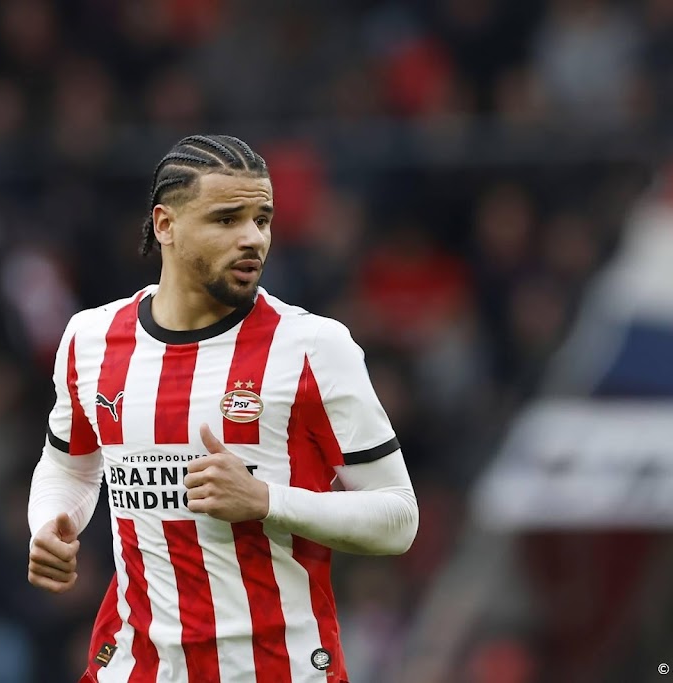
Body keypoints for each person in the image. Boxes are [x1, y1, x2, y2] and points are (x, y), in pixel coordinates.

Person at [27, 134, 419, 683]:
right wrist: (50, 522)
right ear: (165, 225)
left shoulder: (313, 347)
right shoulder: (90, 339)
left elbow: (398, 519)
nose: (252, 238)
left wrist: (265, 500)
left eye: (263, 219)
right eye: (227, 219)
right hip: (134, 668)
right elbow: (69, 465)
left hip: (278, 670)